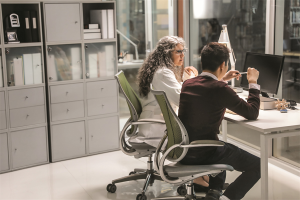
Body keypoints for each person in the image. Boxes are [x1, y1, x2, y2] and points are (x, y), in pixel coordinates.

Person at [179, 42, 261, 200]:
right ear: (223, 64)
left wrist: (223, 79)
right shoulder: (220, 89)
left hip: (183, 150)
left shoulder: (188, 84)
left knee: (221, 144)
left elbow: (207, 90)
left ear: (202, 62)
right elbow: (252, 112)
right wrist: (253, 82)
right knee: (258, 165)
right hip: (205, 152)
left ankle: (214, 193)